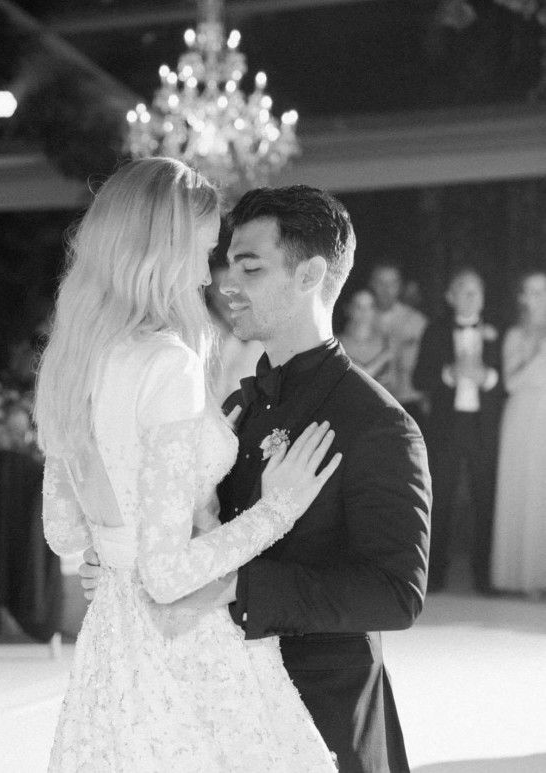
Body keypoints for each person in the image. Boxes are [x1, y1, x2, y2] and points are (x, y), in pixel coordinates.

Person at [82, 184, 432, 771]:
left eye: (250, 268)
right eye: (226, 265)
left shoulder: (378, 424)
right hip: (219, 708)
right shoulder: (233, 407)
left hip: (323, 711)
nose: (226, 284)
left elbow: (395, 594)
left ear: (309, 275)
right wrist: (123, 562)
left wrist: (238, 588)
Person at [35, 158, 342, 772]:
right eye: (202, 253)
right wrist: (276, 511)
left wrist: (112, 554)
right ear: (161, 253)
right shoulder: (165, 364)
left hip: (113, 640)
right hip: (186, 640)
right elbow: (168, 574)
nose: (208, 274)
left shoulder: (72, 361)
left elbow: (64, 532)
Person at [413, 266, 503, 594]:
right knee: (440, 499)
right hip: (446, 428)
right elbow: (418, 378)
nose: (471, 297)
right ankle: (434, 575)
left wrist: (487, 378)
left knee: (486, 499)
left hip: (484, 428)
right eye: (464, 290)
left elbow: (510, 380)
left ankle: (484, 577)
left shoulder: (499, 329)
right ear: (450, 297)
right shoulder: (435, 330)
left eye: (476, 291)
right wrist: (449, 374)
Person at [491, 268, 546, 596]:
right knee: (522, 487)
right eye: (532, 291)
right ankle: (518, 577)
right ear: (522, 297)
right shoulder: (514, 335)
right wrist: (540, 354)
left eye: (543, 291)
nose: (538, 298)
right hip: (522, 413)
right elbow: (511, 382)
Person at [369, 262, 428, 428]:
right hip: (371, 403)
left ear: (400, 285)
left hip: (409, 403)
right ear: (372, 284)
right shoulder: (362, 319)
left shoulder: (417, 321)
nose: (386, 289)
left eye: (392, 283)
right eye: (381, 283)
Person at [206, 259, 263, 403]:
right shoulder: (206, 327)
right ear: (211, 290)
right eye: (219, 287)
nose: (227, 294)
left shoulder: (257, 328)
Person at [338, 288, 394, 392]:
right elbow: (363, 375)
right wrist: (384, 356)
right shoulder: (336, 344)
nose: (364, 312)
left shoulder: (386, 343)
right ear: (348, 309)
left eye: (370, 306)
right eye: (358, 306)